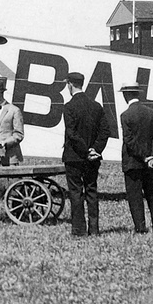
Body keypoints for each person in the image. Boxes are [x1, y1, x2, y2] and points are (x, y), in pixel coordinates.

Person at [61, 72, 111, 236]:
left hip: (74, 157)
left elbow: (72, 134)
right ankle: (94, 230)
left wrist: (85, 150)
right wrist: (95, 150)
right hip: (93, 158)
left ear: (69, 84)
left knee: (76, 193)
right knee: (92, 191)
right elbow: (105, 131)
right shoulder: (96, 106)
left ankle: (79, 230)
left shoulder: (69, 107)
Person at [119, 82, 153, 234]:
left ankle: (140, 228)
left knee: (135, 197)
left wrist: (144, 156)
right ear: (138, 94)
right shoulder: (152, 113)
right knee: (151, 193)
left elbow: (129, 141)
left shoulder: (126, 115)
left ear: (125, 95)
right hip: (149, 164)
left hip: (133, 162)